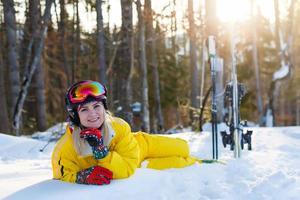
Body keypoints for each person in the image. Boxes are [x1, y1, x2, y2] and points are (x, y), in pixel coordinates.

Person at [52, 80, 201, 185]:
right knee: (181, 162)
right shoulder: (65, 148)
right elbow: (62, 175)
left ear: (104, 107)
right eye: (84, 109)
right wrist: (83, 174)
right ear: (75, 115)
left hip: (142, 145)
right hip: (135, 164)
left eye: (96, 106)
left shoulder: (118, 126)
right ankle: (199, 162)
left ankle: (193, 156)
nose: (93, 114)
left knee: (183, 148)